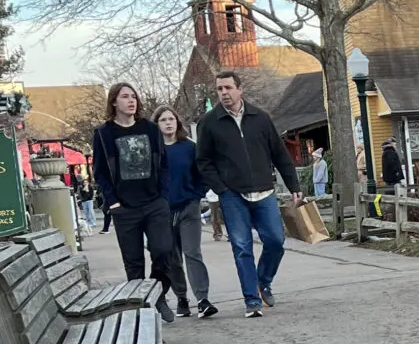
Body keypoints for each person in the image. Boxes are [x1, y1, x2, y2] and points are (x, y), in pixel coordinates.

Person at [194, 67, 301, 319]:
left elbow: (279, 154)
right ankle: (252, 300)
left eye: (228, 87)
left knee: (275, 241)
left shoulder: (260, 118)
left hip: (264, 192)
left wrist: (294, 186)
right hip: (232, 195)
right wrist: (220, 188)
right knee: (242, 247)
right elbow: (203, 161)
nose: (224, 93)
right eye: (219, 89)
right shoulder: (209, 123)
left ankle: (263, 282)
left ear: (240, 89)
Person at [90, 82, 189, 323]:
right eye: (125, 97)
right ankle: (141, 312)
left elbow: (163, 165)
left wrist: (164, 196)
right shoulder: (104, 134)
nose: (131, 101)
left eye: (134, 96)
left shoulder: (150, 129)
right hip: (124, 207)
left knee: (164, 250)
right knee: (133, 262)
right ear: (114, 102)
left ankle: (158, 295)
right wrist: (112, 203)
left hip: (155, 202)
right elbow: (100, 172)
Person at [156, 107, 218, 319]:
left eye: (171, 118)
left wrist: (197, 195)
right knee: (172, 257)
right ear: (157, 125)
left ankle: (203, 299)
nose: (168, 123)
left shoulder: (189, 147)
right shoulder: (154, 151)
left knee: (192, 252)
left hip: (188, 207)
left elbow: (202, 173)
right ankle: (181, 297)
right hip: (163, 211)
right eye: (163, 120)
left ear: (177, 122)